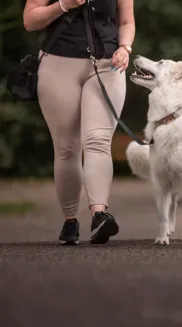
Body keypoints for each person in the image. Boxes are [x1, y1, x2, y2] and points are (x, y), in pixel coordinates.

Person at [23, 0, 135, 245]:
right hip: (58, 64)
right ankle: (70, 220)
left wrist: (125, 48)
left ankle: (99, 215)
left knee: (98, 140)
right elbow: (30, 21)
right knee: (66, 147)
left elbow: (127, 21)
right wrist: (64, 4)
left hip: (108, 64)